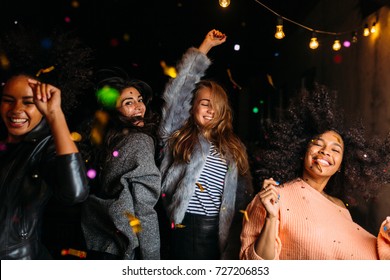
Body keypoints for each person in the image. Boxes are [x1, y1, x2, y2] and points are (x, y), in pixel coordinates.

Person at [240, 83, 390, 260]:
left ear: (342, 164)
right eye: (318, 144)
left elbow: (356, 254)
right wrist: (271, 218)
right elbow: (254, 266)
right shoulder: (273, 197)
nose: (325, 151)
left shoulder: (341, 208)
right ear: (302, 152)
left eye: (335, 150)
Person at [158, 29, 254, 260]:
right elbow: (178, 92)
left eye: (216, 105)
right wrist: (205, 47)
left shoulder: (233, 148)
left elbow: (242, 195)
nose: (211, 110)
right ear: (192, 107)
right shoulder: (178, 134)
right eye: (204, 103)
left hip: (220, 229)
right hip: (185, 225)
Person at [0, 26, 91, 259]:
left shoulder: (46, 148)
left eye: (28, 102)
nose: (16, 110)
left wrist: (55, 115)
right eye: (8, 100)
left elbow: (75, 193)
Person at [80, 68, 161, 260]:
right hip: (123, 246)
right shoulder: (140, 142)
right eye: (129, 103)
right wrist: (153, 262)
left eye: (140, 100)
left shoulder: (106, 143)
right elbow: (144, 209)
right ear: (113, 112)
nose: (139, 107)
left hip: (95, 240)